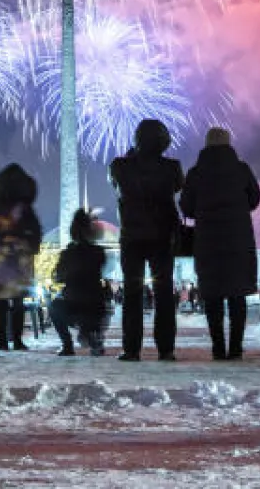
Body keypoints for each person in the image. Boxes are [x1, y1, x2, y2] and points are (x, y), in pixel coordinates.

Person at [181, 128, 260, 361]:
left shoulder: (196, 173)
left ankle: (218, 347)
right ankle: (235, 348)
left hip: (208, 241)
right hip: (239, 239)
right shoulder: (241, 169)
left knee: (213, 296)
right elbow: (255, 198)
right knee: (237, 295)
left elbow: (186, 207)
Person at [108, 119, 184, 362]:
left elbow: (115, 183)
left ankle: (131, 349)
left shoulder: (121, 165)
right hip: (163, 235)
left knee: (132, 292)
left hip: (132, 235)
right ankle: (166, 348)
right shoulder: (172, 167)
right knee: (164, 292)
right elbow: (178, 187)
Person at [0, 163, 43, 351]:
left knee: (0, 302)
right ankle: (18, 340)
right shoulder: (25, 206)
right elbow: (36, 229)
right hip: (21, 257)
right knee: (18, 302)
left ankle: (2, 342)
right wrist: (32, 247)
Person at [50, 209, 108, 356]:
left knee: (54, 307)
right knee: (98, 306)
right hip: (95, 304)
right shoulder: (99, 252)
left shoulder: (68, 254)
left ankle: (67, 345)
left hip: (73, 303)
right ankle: (93, 336)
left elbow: (59, 277)